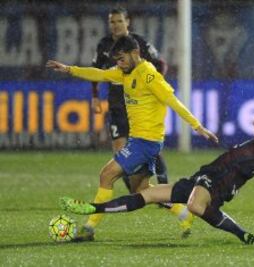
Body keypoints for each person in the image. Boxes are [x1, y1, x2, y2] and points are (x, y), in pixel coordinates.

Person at [59, 104, 254, 245]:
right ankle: (93, 208)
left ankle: (244, 236)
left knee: (195, 205)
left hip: (220, 182)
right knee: (146, 194)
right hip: (206, 175)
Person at [46, 35, 218, 241]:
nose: (119, 64)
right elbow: (100, 74)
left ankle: (89, 228)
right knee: (142, 190)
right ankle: (184, 213)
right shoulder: (124, 73)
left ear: (135, 53)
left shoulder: (149, 77)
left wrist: (198, 127)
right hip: (144, 142)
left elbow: (173, 101)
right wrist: (69, 69)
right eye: (117, 60)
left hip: (145, 143)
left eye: (121, 59)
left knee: (106, 175)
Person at [91, 7, 169, 188]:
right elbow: (95, 71)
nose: (116, 25)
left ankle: (165, 187)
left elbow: (161, 64)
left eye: (120, 21)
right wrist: (95, 97)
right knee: (120, 149)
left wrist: (156, 85)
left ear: (128, 22)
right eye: (112, 21)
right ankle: (135, 193)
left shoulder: (138, 43)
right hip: (117, 105)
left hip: (139, 104)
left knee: (149, 147)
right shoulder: (103, 45)